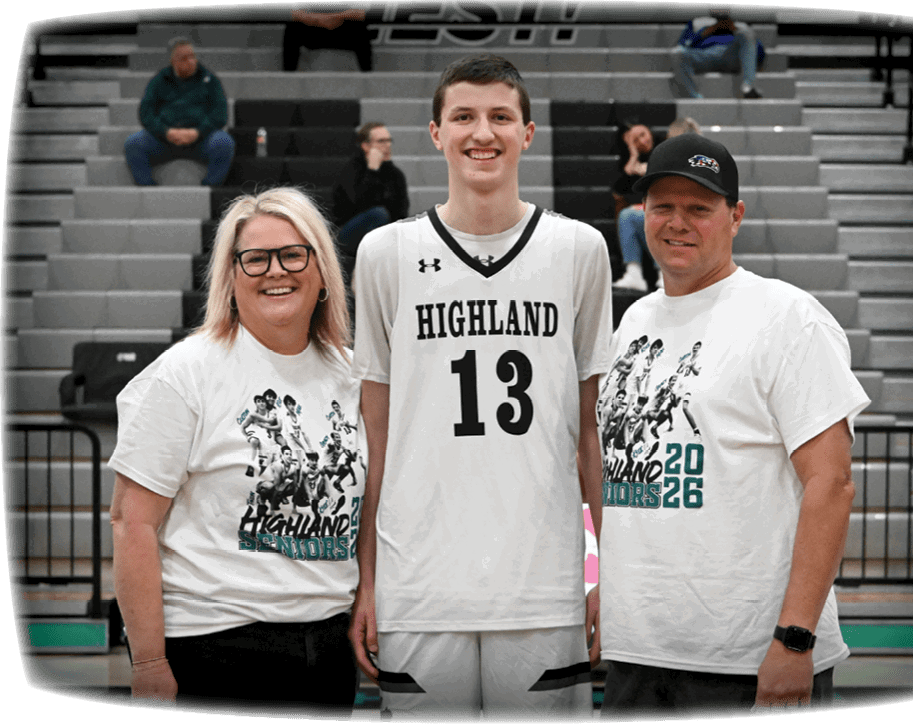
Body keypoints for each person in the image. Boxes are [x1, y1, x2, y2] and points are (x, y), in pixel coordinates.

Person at [349, 53, 611, 720]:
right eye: (463, 116)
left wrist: (611, 572)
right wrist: (367, 578)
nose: (482, 133)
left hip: (542, 586)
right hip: (419, 585)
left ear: (528, 133)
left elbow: (591, 431)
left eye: (500, 116)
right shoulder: (384, 255)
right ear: (435, 133)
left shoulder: (579, 250)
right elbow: (375, 432)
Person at [596, 134, 871, 718]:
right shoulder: (635, 321)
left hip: (748, 660)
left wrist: (794, 639)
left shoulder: (787, 318)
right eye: (663, 206)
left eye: (699, 208)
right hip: (637, 654)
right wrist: (607, 587)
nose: (677, 223)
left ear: (735, 216)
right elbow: (625, 471)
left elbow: (832, 485)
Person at [108, 187, 365, 717]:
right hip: (216, 646)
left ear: (321, 272)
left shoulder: (353, 373)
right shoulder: (187, 373)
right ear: (230, 276)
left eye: (294, 253)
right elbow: (130, 523)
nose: (276, 271)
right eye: (255, 258)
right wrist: (147, 663)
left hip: (329, 650)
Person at [124, 38, 235, 186]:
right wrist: (166, 132)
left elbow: (220, 115)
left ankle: (209, 187)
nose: (191, 61)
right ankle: (148, 188)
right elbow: (145, 114)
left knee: (224, 143)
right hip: (164, 140)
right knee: (133, 144)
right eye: (184, 58)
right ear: (173, 61)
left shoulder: (210, 80)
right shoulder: (159, 80)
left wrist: (197, 132)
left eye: (192, 56)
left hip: (200, 140)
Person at [612, 119, 701, 292]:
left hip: (683, 219)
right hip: (663, 212)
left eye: (643, 135)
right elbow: (620, 188)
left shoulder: (691, 159)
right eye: (635, 140)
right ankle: (634, 273)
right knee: (627, 215)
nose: (642, 141)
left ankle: (666, 273)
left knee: (660, 218)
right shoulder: (654, 158)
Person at [331, 122, 409, 282]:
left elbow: (401, 213)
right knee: (378, 214)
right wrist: (372, 171)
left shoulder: (395, 175)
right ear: (366, 146)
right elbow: (357, 204)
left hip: (382, 237)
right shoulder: (351, 170)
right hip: (347, 236)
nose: (387, 146)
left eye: (389, 141)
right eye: (381, 141)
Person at [672, 4, 765, 100]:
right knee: (677, 53)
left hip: (731, 55)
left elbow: (757, 50)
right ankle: (696, 98)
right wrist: (708, 31)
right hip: (705, 55)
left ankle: (747, 87)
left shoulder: (741, 26)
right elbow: (683, 45)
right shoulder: (697, 23)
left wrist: (734, 30)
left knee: (746, 32)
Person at [283, 2, 373, 72]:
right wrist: (320, 19)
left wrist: (334, 17)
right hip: (314, 31)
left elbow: (360, 13)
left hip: (343, 32)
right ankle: (288, 79)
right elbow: (295, 14)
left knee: (360, 30)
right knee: (292, 29)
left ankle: (368, 79)